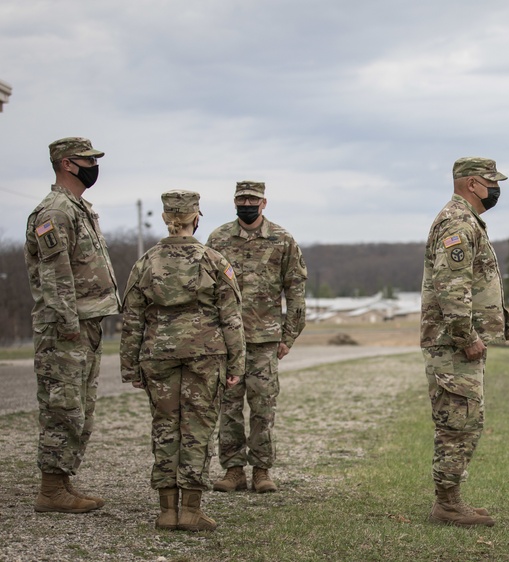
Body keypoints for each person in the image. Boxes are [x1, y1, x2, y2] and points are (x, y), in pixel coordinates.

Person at [120, 190, 245, 532]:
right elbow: (230, 317)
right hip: (205, 355)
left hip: (158, 354)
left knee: (164, 427)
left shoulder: (146, 261)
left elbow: (132, 318)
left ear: (165, 218)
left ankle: (166, 511)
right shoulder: (213, 260)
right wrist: (237, 365)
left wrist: (130, 366)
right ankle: (190, 511)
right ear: (196, 217)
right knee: (197, 429)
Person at [25, 137, 120, 513]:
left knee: (79, 409)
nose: (93, 166)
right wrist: (67, 324)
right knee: (61, 407)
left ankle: (62, 483)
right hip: (66, 328)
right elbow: (56, 276)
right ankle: (51, 491)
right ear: (67, 164)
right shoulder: (54, 212)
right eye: (87, 160)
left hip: (84, 324)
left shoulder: (79, 209)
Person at [421, 157, 509, 527]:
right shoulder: (457, 223)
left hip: (457, 343)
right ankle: (447, 504)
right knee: (456, 422)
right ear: (472, 183)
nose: (495, 189)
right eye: (491, 182)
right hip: (453, 344)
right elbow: (452, 288)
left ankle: (452, 499)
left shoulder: (467, 221)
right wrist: (467, 336)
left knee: (466, 420)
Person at [208, 181, 307, 494]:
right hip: (226, 341)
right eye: (241, 199)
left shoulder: (282, 240)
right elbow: (206, 289)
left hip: (265, 340)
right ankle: (233, 470)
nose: (246, 203)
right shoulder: (218, 239)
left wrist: (288, 336)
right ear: (234, 202)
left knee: (263, 407)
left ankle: (262, 470)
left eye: (252, 199)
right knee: (229, 408)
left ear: (264, 203)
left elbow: (296, 290)